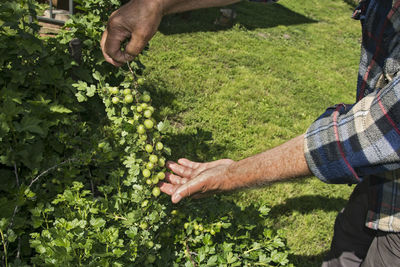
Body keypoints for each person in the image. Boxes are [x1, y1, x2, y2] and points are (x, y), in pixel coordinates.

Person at [101, 0, 400, 266]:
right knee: (345, 246)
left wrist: (233, 174)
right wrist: (157, 4)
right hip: (381, 179)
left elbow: (371, 134)